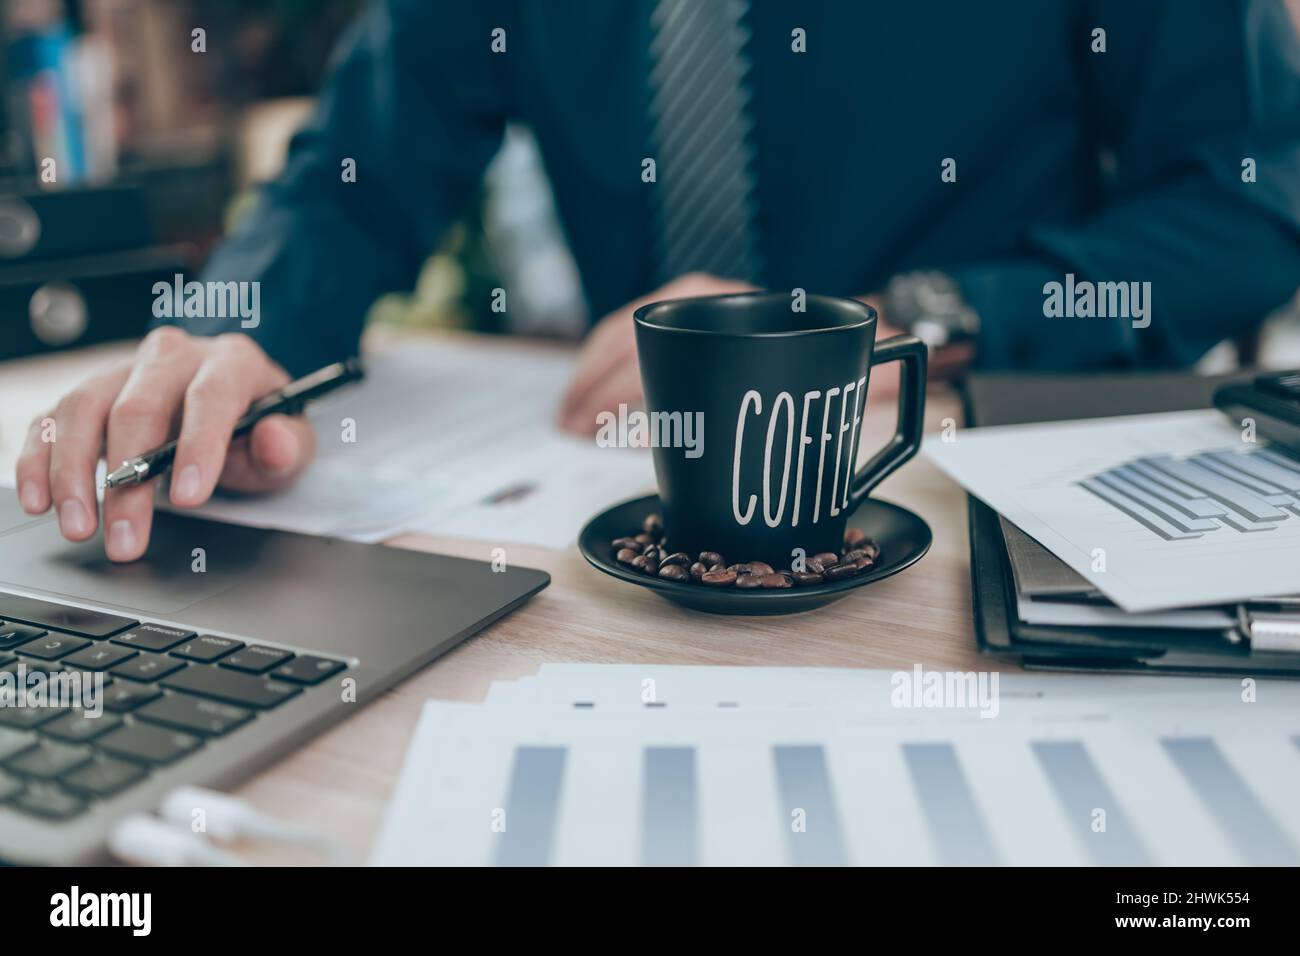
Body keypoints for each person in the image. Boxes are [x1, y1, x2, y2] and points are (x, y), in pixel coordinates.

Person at [15, 0, 1300, 562]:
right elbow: (352, 178)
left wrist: (909, 324)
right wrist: (237, 332)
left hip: (959, 494)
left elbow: (1255, 199)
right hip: (608, 502)